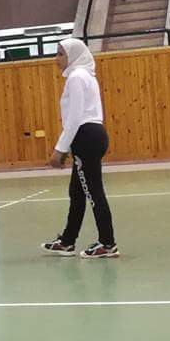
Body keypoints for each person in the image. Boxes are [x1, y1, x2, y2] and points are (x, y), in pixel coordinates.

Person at [42, 38, 117, 258]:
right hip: (91, 135)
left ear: (73, 55)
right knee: (77, 192)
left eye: (60, 54)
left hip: (86, 137)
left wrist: (60, 149)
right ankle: (67, 241)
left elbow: (74, 118)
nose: (56, 59)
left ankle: (108, 244)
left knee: (93, 193)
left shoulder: (76, 77)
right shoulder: (86, 75)